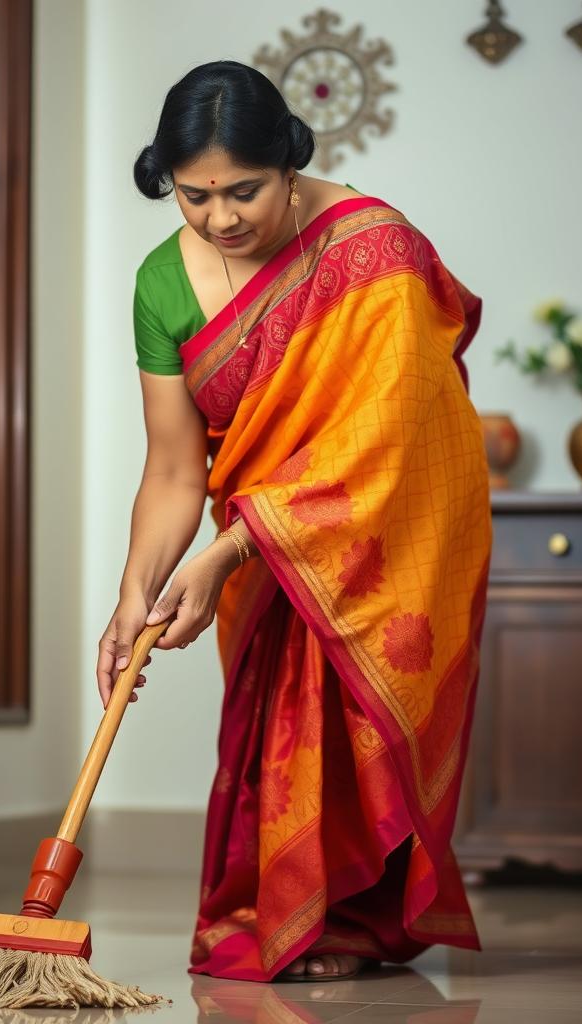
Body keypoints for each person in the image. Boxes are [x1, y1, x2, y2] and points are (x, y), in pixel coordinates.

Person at [95, 60, 491, 984]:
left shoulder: (373, 247)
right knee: (272, 728)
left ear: (291, 167)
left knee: (359, 718)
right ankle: (278, 914)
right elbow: (171, 467)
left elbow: (391, 433)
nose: (222, 219)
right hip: (265, 545)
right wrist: (132, 597)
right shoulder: (162, 283)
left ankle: (353, 921)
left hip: (383, 522)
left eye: (247, 191)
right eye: (195, 196)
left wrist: (231, 550)